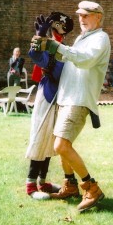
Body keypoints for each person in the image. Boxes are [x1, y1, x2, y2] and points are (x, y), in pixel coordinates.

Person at [31, 0, 111, 212]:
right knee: (61, 146)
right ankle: (70, 185)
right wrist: (42, 45)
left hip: (79, 99)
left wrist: (55, 45)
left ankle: (91, 187)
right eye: (80, 15)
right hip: (66, 98)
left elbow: (84, 60)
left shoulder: (101, 38)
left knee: (60, 146)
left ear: (98, 17)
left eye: (86, 15)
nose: (81, 19)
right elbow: (65, 59)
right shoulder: (80, 39)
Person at [26, 12, 74, 200]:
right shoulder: (51, 50)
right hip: (46, 95)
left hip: (58, 98)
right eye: (54, 30)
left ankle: (42, 182)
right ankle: (30, 186)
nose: (56, 33)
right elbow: (36, 55)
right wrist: (39, 37)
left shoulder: (65, 49)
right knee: (40, 137)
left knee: (50, 141)